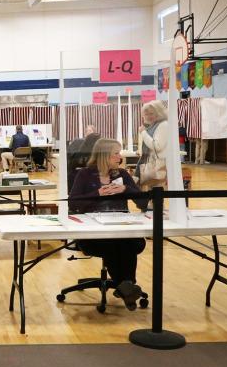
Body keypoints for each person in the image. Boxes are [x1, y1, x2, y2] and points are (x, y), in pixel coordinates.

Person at [69, 138, 147, 310]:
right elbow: (73, 204)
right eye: (116, 153)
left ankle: (125, 286)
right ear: (105, 155)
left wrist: (127, 190)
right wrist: (98, 193)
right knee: (115, 242)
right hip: (93, 233)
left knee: (128, 240)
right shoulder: (84, 175)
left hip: (121, 227)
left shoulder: (122, 175)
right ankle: (127, 285)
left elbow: (143, 203)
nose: (120, 157)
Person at [138, 100, 169, 191]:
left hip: (159, 164)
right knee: (153, 190)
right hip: (154, 163)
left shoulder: (163, 125)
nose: (148, 116)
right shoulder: (153, 126)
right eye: (146, 114)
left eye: (151, 113)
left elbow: (157, 146)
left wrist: (143, 132)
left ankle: (156, 205)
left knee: (157, 191)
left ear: (159, 113)